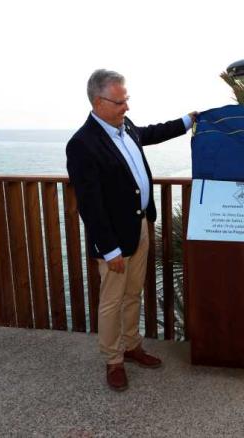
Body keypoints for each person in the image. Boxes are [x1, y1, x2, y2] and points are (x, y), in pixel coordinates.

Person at [66, 69, 197, 391]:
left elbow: (152, 133)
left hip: (140, 225)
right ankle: (113, 360)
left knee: (133, 292)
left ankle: (132, 345)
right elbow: (90, 205)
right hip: (113, 239)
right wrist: (109, 249)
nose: (127, 107)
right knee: (112, 300)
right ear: (99, 102)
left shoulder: (125, 128)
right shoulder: (82, 144)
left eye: (127, 100)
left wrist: (186, 121)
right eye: (120, 101)